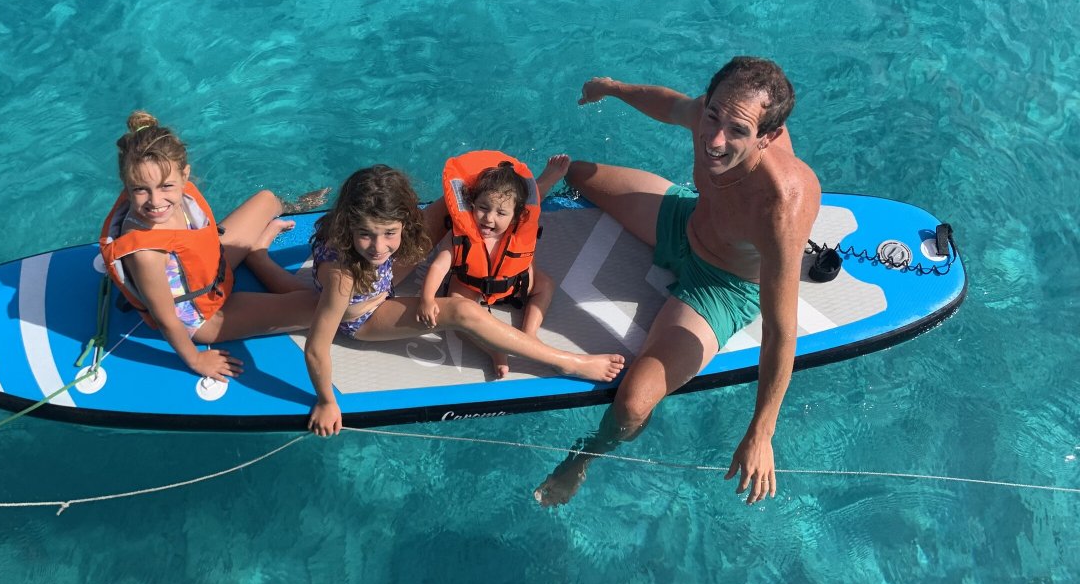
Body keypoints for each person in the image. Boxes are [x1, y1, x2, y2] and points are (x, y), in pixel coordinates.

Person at [534, 57, 821, 507]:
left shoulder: (782, 204)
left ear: (766, 137)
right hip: (683, 219)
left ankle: (584, 458)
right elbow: (671, 105)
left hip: (721, 286)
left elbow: (780, 331)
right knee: (574, 173)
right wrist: (612, 88)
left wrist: (761, 433)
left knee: (631, 406)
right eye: (712, 117)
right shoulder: (719, 113)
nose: (715, 140)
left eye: (738, 132)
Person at [305, 164, 626, 436]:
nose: (377, 246)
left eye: (389, 232)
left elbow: (492, 200)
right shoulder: (342, 277)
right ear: (351, 224)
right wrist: (325, 401)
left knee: (453, 205)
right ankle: (567, 362)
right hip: (366, 314)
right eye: (367, 234)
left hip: (381, 276)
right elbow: (317, 348)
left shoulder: (370, 231)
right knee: (461, 310)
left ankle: (499, 261)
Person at [101, 111, 323, 382]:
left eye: (166, 186)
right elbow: (166, 319)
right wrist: (196, 359)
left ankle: (292, 211)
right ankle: (257, 255)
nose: (155, 201)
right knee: (320, 307)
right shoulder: (146, 254)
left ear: (185, 176)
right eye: (140, 190)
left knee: (266, 200)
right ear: (127, 185)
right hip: (204, 314)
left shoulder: (168, 189)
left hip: (212, 269)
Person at [419, 151, 570, 378]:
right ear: (471, 204)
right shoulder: (461, 235)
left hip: (515, 283)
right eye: (483, 207)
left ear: (516, 216)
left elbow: (533, 201)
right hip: (470, 285)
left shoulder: (518, 228)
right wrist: (427, 299)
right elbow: (439, 267)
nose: (489, 218)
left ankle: (529, 333)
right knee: (457, 304)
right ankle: (495, 350)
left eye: (500, 213)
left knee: (546, 285)